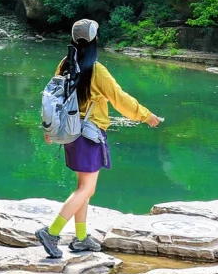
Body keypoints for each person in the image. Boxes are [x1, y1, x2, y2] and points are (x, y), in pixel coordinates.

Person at [37, 17, 163, 256]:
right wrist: (146, 116)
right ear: (94, 40)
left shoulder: (65, 63)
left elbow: (54, 100)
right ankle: (51, 233)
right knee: (86, 189)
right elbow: (120, 99)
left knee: (82, 187)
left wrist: (48, 130)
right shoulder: (96, 70)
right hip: (89, 135)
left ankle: (81, 238)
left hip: (70, 133)